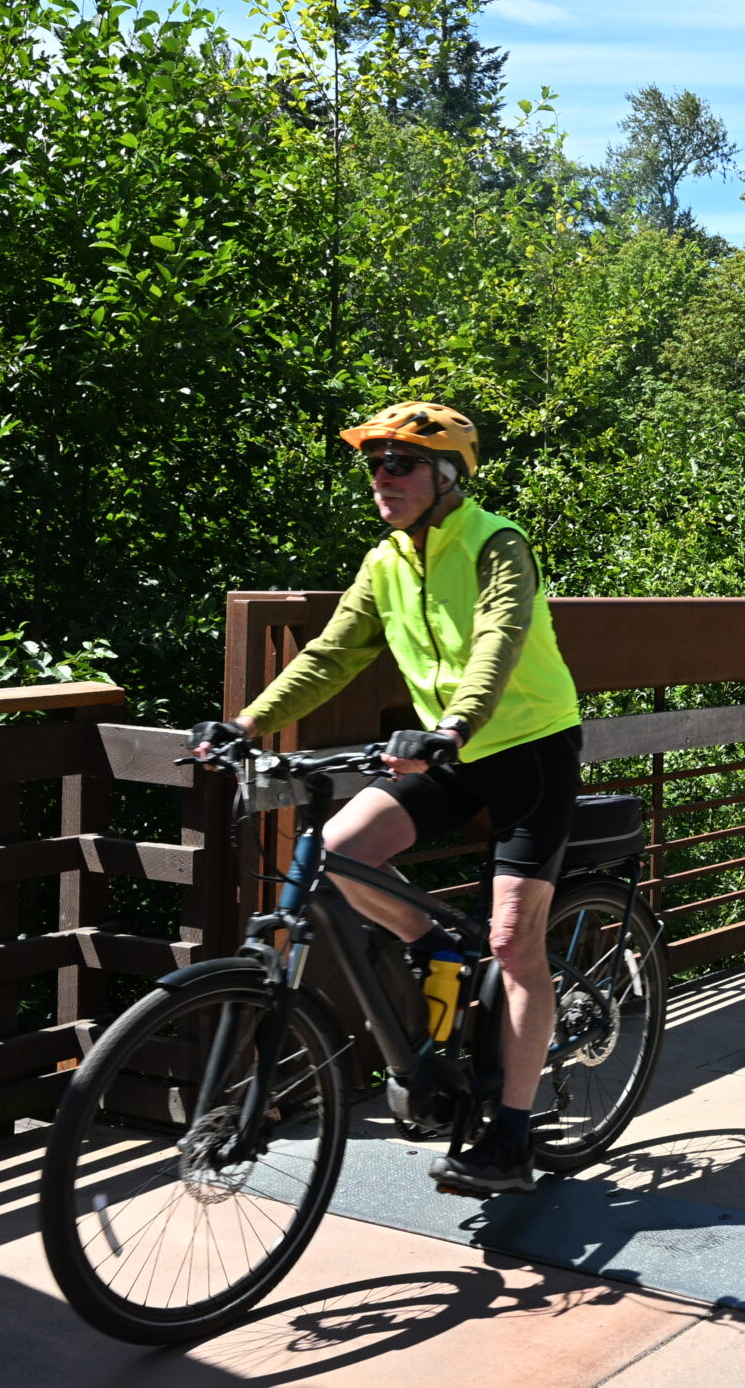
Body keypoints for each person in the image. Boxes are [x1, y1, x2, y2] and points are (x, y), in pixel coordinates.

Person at [187, 401, 584, 1197]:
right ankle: (434, 940)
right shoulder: (385, 562)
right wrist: (247, 722)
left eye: (398, 463)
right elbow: (334, 651)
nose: (381, 478)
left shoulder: (496, 541)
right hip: (447, 748)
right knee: (334, 854)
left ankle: (510, 1133)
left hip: (527, 747)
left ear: (445, 475)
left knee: (512, 942)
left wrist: (455, 722)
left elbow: (499, 637)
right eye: (374, 464)